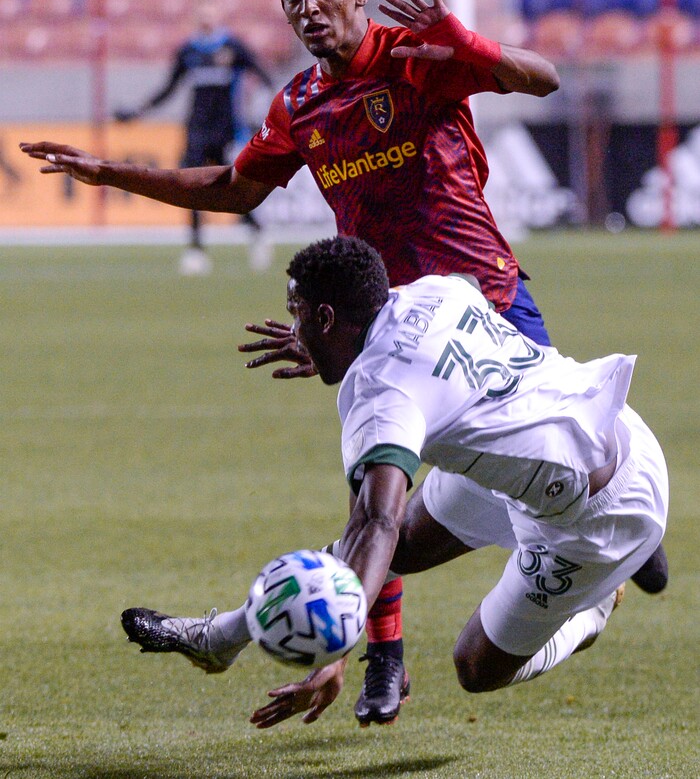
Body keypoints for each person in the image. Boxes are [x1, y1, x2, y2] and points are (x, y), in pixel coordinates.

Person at [19, 0, 666, 727]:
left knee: (425, 476)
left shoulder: (417, 58)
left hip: (484, 299)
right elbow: (233, 188)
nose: (307, 7)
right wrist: (109, 172)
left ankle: (598, 537)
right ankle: (385, 654)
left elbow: (544, 78)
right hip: (381, 317)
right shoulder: (299, 104)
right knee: (384, 488)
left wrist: (467, 42)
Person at [120, 235, 668, 730]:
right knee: (399, 547)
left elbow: (376, 521)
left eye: (298, 316)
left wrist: (335, 645)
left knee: (475, 668)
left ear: (328, 318)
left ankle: (593, 608)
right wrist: (333, 349)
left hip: (598, 514)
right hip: (595, 428)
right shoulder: (431, 292)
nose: (293, 330)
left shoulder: (383, 394)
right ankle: (219, 640)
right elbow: (463, 291)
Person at [114, 1, 273, 275]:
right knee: (191, 188)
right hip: (197, 130)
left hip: (226, 131)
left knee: (230, 189)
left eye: (210, 14)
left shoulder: (233, 47)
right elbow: (169, 88)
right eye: (202, 15)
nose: (206, 19)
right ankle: (196, 249)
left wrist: (263, 113)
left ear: (219, 16)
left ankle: (256, 230)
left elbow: (263, 78)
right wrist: (139, 111)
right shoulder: (188, 51)